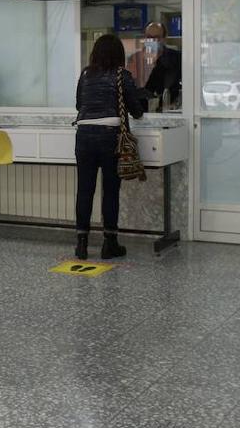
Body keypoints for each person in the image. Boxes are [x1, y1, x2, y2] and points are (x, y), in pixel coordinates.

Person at [74, 33, 148, 260]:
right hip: (110, 137)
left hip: (84, 135)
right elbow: (136, 110)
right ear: (119, 55)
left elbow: (79, 104)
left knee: (85, 190)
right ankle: (110, 243)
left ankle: (82, 244)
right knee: (110, 191)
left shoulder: (85, 74)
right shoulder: (121, 75)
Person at [133, 21, 182, 112]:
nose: (152, 41)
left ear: (164, 38)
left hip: (169, 111)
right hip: (142, 114)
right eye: (149, 37)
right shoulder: (135, 59)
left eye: (156, 37)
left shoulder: (177, 58)